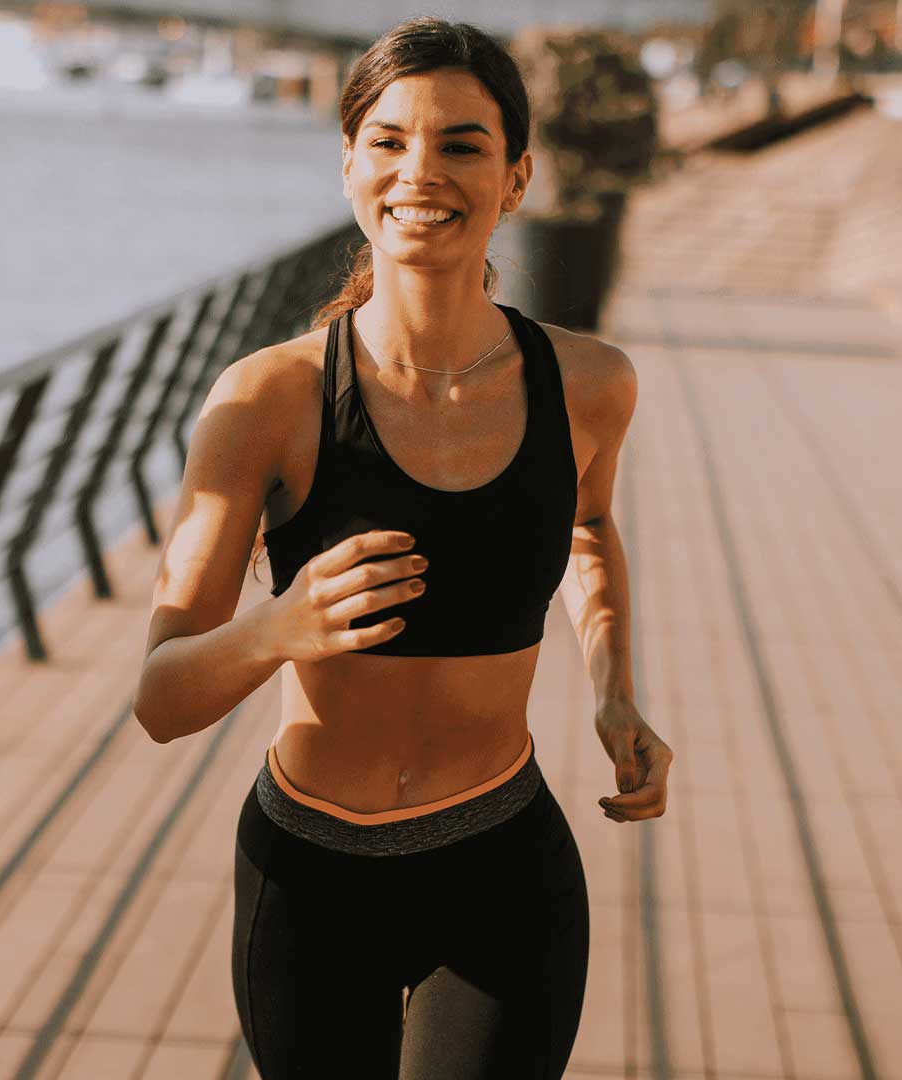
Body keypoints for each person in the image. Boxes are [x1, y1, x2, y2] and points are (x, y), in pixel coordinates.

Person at [133, 18, 673, 1078]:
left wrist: (615, 691)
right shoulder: (267, 398)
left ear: (516, 178)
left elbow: (586, 525)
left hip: (503, 863)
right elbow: (161, 699)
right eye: (388, 141)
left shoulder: (590, 383)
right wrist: (279, 628)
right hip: (307, 874)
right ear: (348, 165)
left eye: (462, 144)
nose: (420, 170)